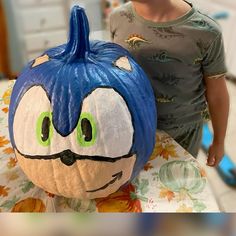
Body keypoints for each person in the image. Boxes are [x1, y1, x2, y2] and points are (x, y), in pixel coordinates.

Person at [110, 0, 229, 166]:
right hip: (133, 128)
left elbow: (217, 94)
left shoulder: (206, 31)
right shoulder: (117, 18)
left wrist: (219, 141)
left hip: (183, 134)